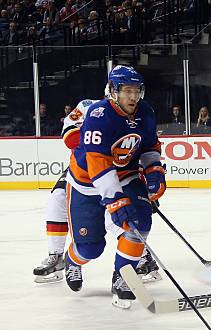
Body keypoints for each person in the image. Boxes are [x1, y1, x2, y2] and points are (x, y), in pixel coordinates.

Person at [64, 65, 165, 309]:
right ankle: (71, 260)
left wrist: (153, 171)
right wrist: (115, 199)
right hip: (86, 183)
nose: (132, 97)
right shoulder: (99, 116)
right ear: (113, 91)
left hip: (126, 176)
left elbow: (150, 145)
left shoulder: (146, 112)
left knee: (139, 222)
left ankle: (123, 277)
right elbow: (97, 163)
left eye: (136, 91)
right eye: (126, 91)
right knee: (91, 248)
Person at [33, 96, 160, 285]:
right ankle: (57, 255)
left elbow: (144, 148)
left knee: (127, 213)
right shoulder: (88, 107)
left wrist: (146, 182)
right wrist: (98, 135)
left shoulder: (139, 112)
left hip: (121, 170)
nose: (129, 97)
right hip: (88, 167)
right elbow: (69, 137)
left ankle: (139, 254)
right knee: (58, 197)